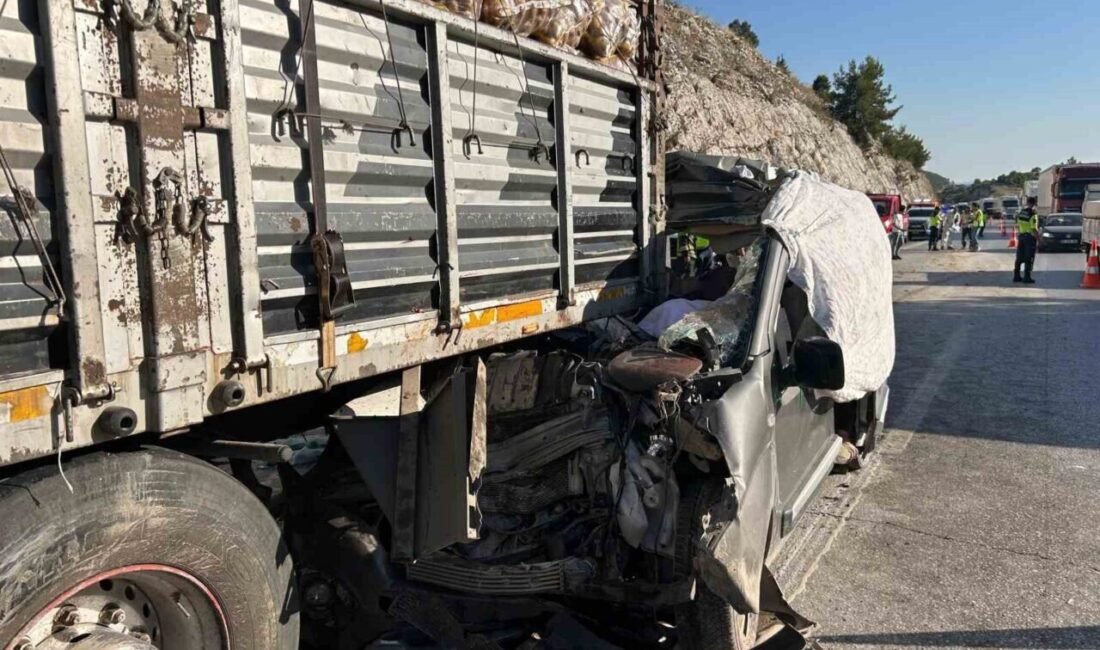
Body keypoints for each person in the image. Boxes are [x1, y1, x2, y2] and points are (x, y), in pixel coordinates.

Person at [1014, 199, 1040, 284]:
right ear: (1034, 204)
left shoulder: (1021, 213)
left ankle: (1016, 276)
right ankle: (1027, 277)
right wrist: (1039, 239)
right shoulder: (1033, 214)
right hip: (1029, 237)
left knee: (1019, 257)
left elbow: (1017, 224)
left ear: (1027, 203)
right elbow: (1033, 228)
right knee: (1029, 257)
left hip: (1021, 236)